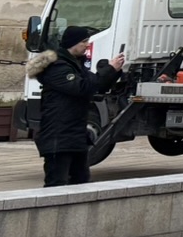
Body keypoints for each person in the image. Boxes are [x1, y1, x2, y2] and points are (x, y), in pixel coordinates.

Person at [27, 26, 125, 188]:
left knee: (81, 182)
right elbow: (82, 88)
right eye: (84, 41)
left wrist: (113, 71)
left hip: (76, 135)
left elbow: (97, 85)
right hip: (59, 136)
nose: (87, 45)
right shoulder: (57, 67)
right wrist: (109, 69)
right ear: (72, 43)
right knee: (56, 183)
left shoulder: (75, 64)